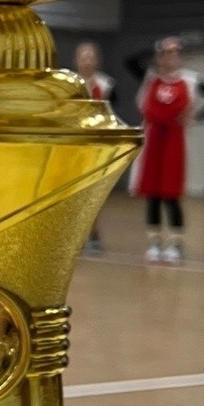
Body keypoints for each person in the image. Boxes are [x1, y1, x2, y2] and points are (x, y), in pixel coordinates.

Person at [127, 36, 204, 264]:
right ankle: (154, 242)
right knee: (152, 194)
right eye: (165, 54)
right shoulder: (150, 78)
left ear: (180, 57)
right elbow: (130, 61)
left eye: (174, 54)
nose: (169, 58)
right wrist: (157, 46)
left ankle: (176, 244)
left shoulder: (190, 80)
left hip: (175, 140)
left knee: (171, 194)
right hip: (152, 140)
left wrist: (197, 116)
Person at [74, 40, 116, 254]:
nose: (87, 61)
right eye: (83, 57)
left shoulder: (107, 85)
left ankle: (94, 233)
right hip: (75, 147)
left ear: (97, 60)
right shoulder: (69, 84)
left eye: (90, 56)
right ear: (77, 60)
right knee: (75, 194)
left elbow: (112, 116)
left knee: (94, 193)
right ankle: (75, 236)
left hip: (97, 147)